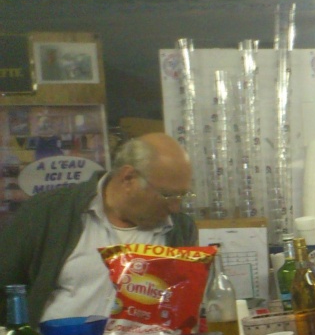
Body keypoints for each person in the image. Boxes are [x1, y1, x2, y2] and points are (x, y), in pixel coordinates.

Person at [0, 132, 196, 324]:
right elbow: (5, 285)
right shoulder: (49, 212)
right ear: (128, 178)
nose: (175, 207)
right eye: (167, 195)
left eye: (182, 196)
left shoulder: (180, 229)